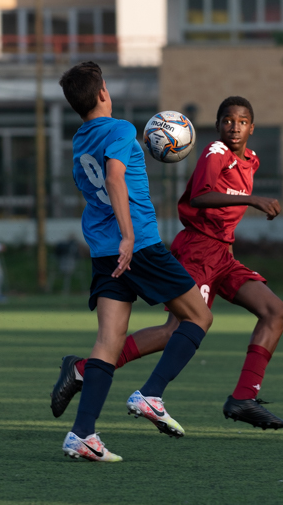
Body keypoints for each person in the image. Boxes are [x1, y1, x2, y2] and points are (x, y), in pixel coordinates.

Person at [52, 96, 283, 431]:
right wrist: (253, 199)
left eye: (241, 122)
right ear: (217, 125)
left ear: (252, 127)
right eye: (227, 120)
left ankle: (244, 397)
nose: (234, 127)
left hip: (223, 256)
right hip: (198, 250)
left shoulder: (251, 160)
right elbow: (199, 196)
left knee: (276, 312)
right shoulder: (215, 152)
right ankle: (99, 375)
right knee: (177, 329)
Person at [54, 61, 212, 462]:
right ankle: (151, 394)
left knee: (108, 343)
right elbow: (114, 178)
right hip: (137, 244)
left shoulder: (79, 140)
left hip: (103, 251)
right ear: (103, 92)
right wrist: (127, 234)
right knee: (198, 316)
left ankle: (82, 434)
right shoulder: (121, 129)